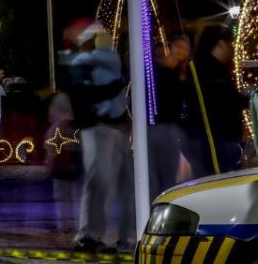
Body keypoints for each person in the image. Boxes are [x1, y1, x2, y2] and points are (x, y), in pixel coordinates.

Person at [69, 22, 134, 253]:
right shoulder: (85, 65)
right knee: (99, 182)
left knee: (105, 184)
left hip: (111, 127)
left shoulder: (103, 63)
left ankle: (95, 233)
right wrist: (117, 85)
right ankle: (88, 233)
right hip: (97, 126)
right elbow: (85, 94)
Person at [183, 25, 246, 176]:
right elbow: (225, 100)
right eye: (229, 43)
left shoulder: (211, 69)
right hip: (215, 142)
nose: (232, 48)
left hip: (215, 140)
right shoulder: (209, 71)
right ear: (219, 44)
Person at [149, 33, 189, 199]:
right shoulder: (166, 73)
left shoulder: (178, 73)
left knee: (166, 175)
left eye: (185, 48)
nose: (181, 52)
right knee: (165, 176)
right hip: (163, 127)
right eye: (178, 47)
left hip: (165, 127)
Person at [45, 90, 82, 233]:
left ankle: (63, 224)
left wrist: (49, 162)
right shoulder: (76, 127)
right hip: (75, 161)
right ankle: (78, 224)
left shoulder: (55, 128)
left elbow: (51, 147)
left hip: (61, 164)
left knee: (61, 197)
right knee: (76, 195)